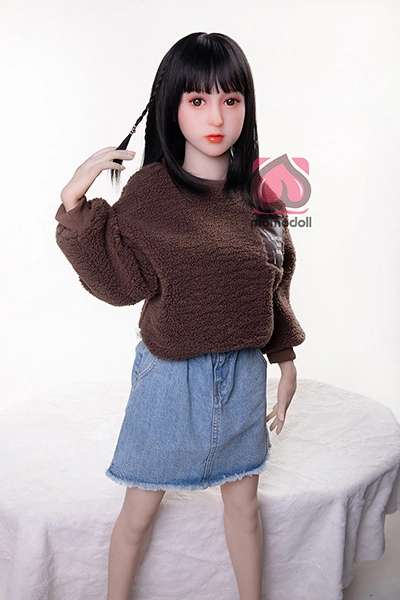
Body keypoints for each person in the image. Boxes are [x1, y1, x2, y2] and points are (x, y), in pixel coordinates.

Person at [55, 32, 305, 600]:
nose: (216, 116)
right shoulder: (150, 193)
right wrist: (74, 204)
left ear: (247, 106)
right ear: (171, 105)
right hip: (170, 379)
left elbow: (274, 280)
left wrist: (285, 360)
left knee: (244, 508)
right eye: (197, 99)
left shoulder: (263, 195)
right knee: (139, 511)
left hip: (243, 376)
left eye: (231, 99)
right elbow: (121, 283)